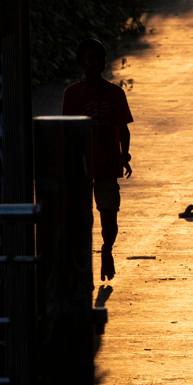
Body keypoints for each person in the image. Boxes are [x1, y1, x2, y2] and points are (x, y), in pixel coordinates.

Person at [62, 37, 133, 283]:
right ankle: (84, 264)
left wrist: (125, 155)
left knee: (108, 215)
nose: (94, 63)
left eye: (98, 58)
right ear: (82, 62)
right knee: (82, 217)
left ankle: (107, 249)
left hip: (107, 163)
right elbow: (66, 132)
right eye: (90, 58)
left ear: (103, 63)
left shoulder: (114, 93)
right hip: (81, 165)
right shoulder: (72, 94)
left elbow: (123, 128)